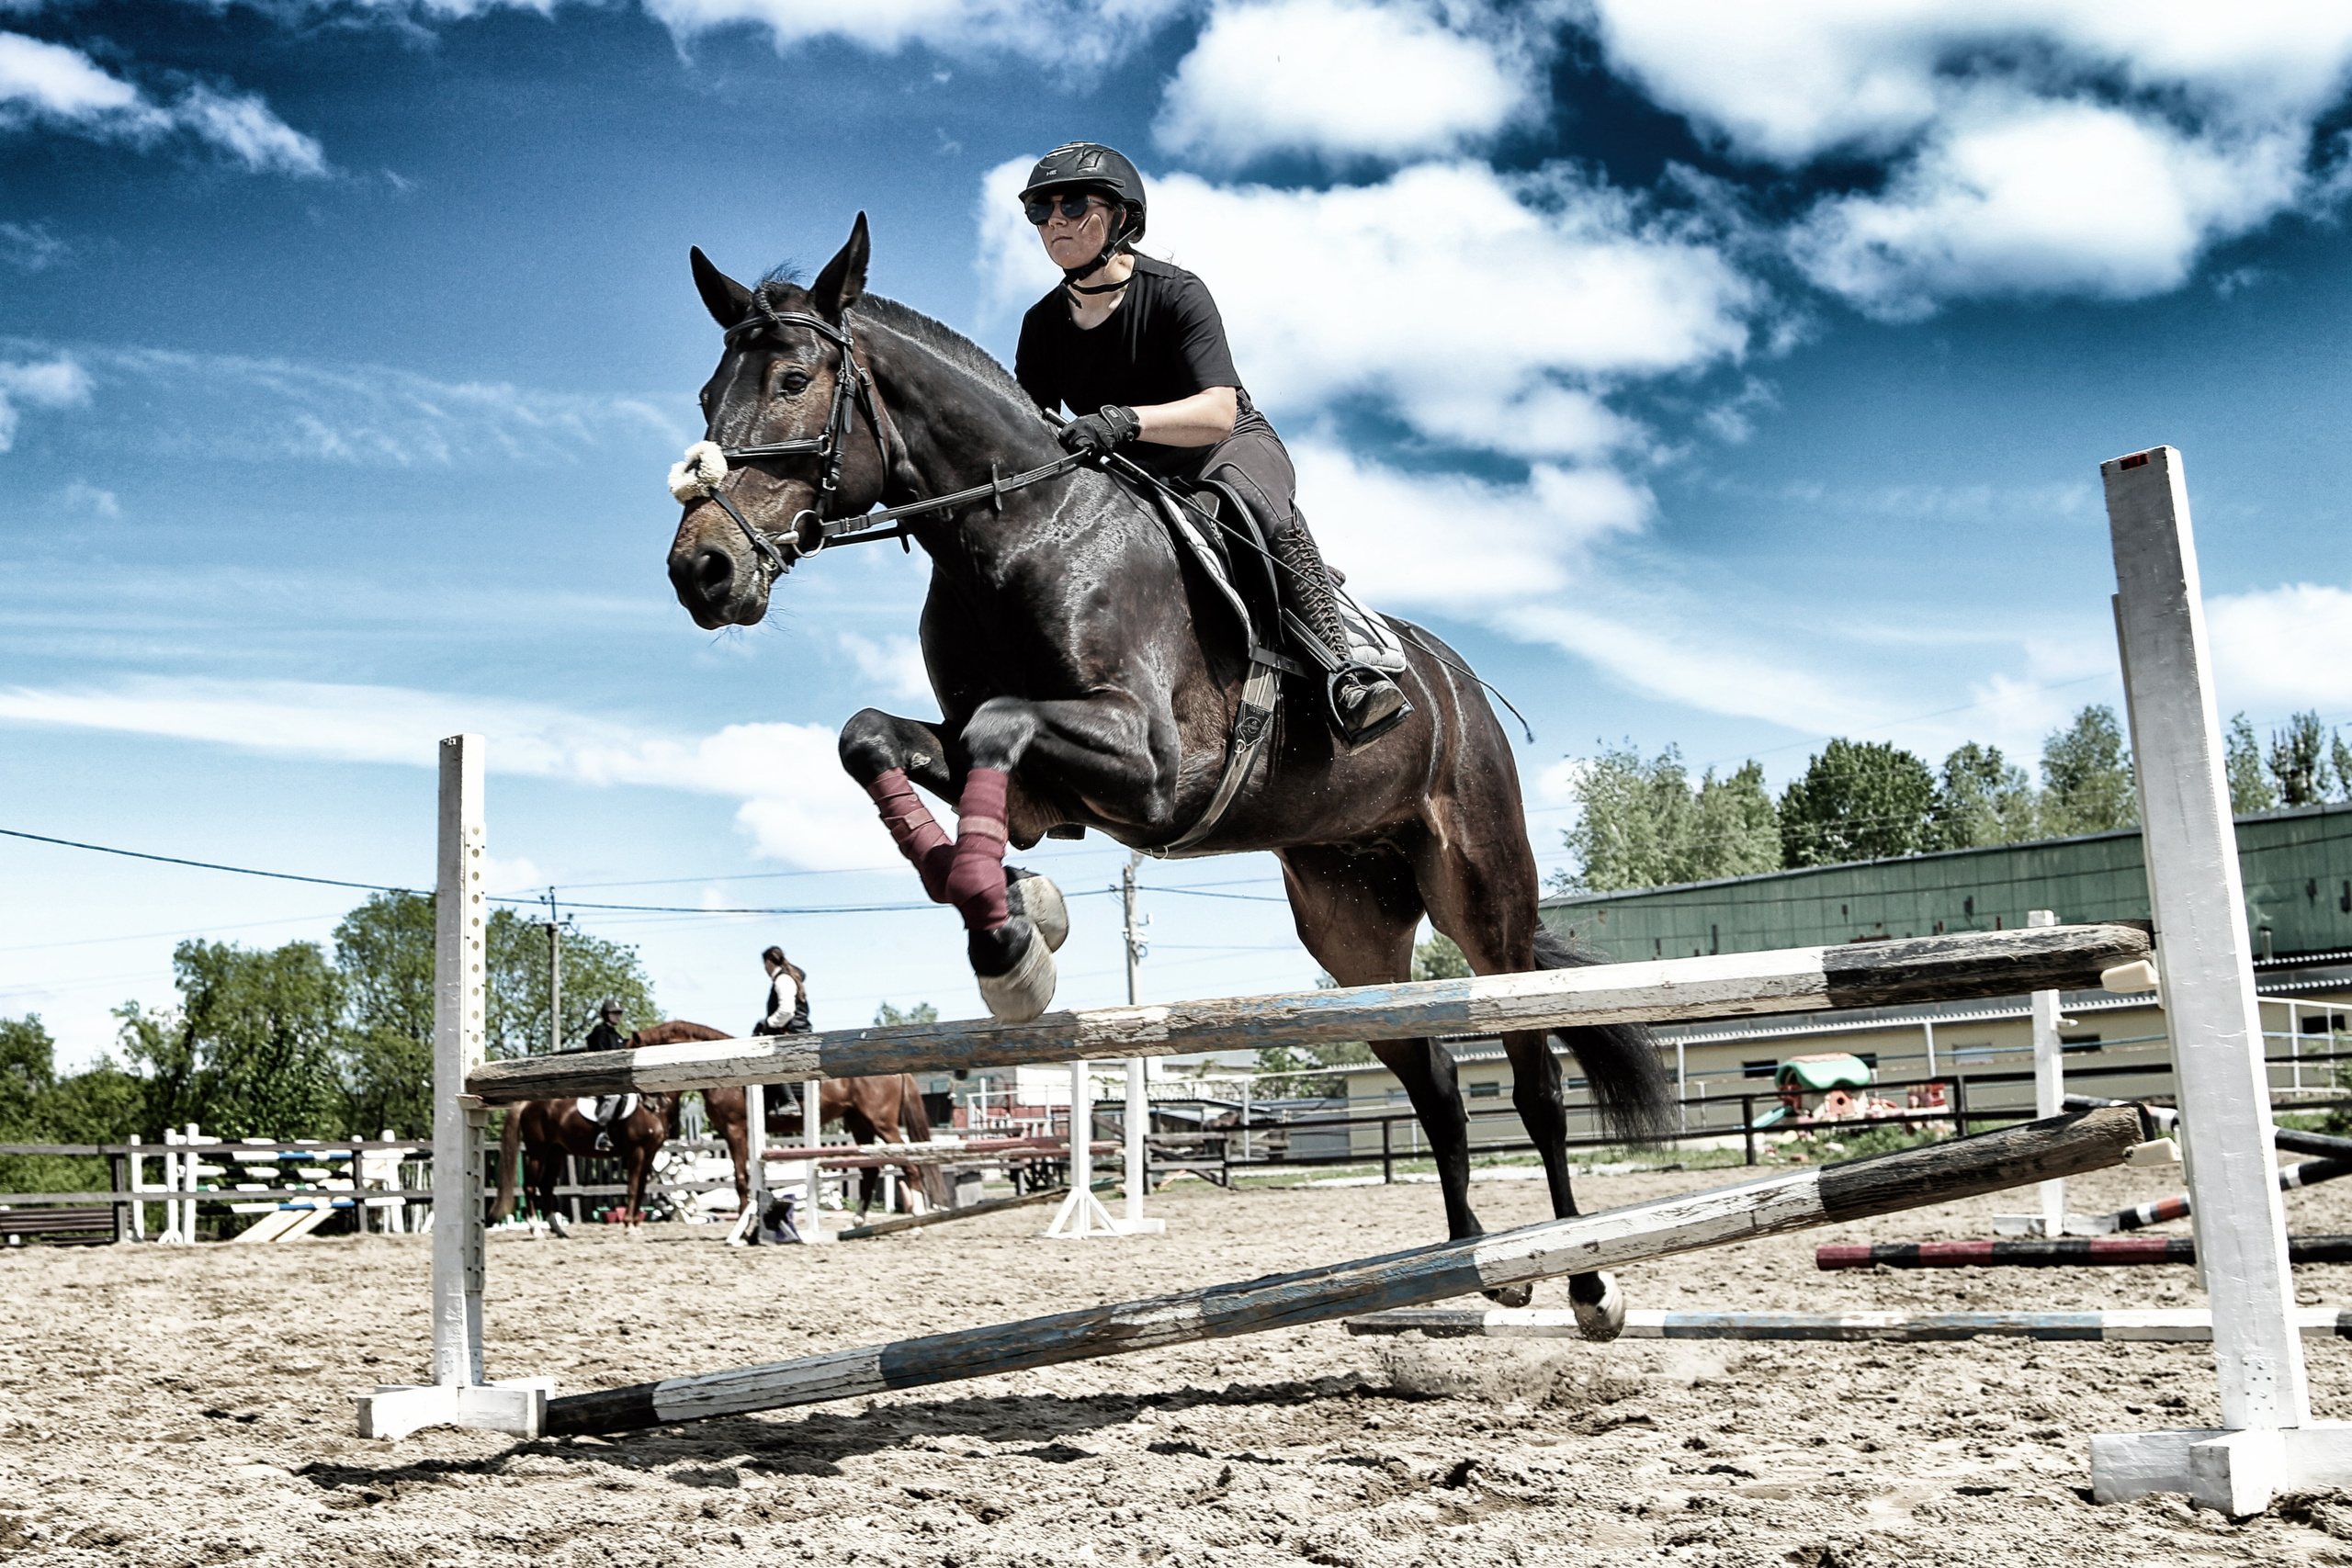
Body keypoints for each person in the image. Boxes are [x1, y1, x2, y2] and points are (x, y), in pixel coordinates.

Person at [1011, 141, 1408, 749]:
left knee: (1234, 504)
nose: (1054, 221)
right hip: (1141, 476)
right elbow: (1031, 435)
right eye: (1040, 210)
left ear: (1121, 216)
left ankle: (1344, 675)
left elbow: (1218, 411)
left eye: (1072, 204)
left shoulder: (1177, 292)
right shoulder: (1041, 325)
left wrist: (1121, 421)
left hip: (1225, 448)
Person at [586, 998, 629, 1153]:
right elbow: (601, 1058)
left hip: (616, 1079)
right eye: (614, 1013)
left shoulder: (617, 1036)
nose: (618, 1016)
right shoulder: (600, 1033)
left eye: (619, 1013)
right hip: (602, 1077)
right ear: (606, 1015)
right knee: (614, 1097)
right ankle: (601, 1132)